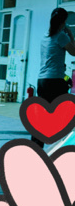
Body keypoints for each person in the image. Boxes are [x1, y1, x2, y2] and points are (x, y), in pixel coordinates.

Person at [34, 8, 75, 146]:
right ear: (63, 21)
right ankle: (64, 141)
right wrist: (70, 34)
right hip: (55, 81)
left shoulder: (45, 35)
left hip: (43, 80)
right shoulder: (60, 36)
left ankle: (37, 145)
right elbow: (74, 52)